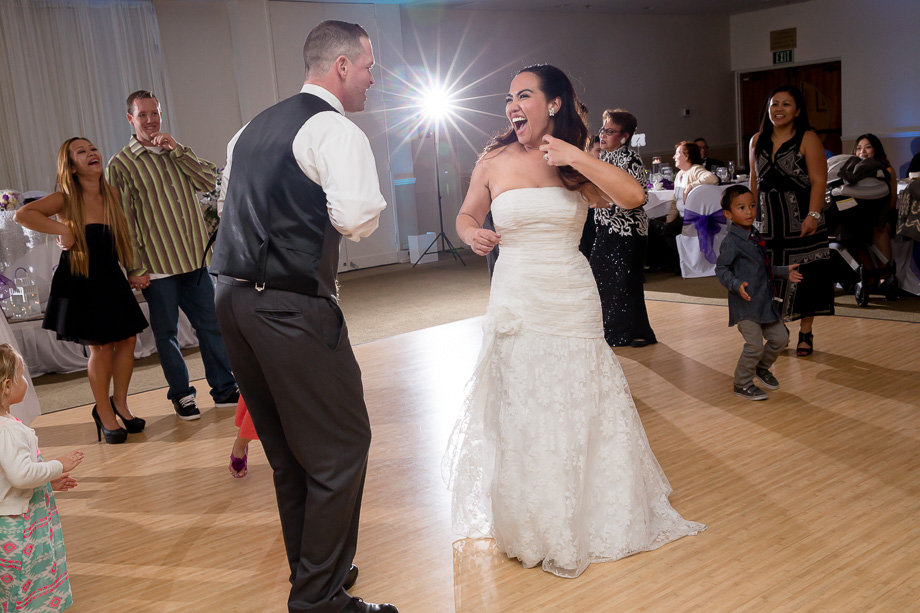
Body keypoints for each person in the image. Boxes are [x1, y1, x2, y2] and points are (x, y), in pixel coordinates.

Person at [444, 64, 704, 579]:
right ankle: (531, 521)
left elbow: (634, 198)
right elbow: (467, 214)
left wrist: (576, 156)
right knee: (523, 401)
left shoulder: (575, 159)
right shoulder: (494, 160)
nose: (513, 106)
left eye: (524, 96)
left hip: (568, 293)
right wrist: (472, 233)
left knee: (575, 395)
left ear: (554, 103)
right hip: (517, 294)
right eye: (509, 98)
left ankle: (585, 516)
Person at [211, 21, 395, 613]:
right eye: (368, 66)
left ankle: (318, 572)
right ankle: (320, 599)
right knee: (342, 448)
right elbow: (356, 218)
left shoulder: (248, 130)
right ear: (341, 66)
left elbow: (230, 206)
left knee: (290, 453)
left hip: (232, 300)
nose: (372, 78)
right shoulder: (335, 130)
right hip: (289, 305)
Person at [107, 91, 238, 421]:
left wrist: (178, 150)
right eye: (142, 115)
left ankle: (224, 389)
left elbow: (209, 181)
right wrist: (134, 267)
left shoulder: (175, 151)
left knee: (211, 326)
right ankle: (182, 395)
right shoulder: (121, 164)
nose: (150, 120)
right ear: (130, 119)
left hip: (195, 260)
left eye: (154, 113)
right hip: (158, 267)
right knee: (167, 335)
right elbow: (124, 220)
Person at [15, 138, 149, 444]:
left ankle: (120, 404)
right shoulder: (65, 198)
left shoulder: (112, 193)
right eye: (81, 152)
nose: (91, 154)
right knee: (101, 346)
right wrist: (62, 228)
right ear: (72, 167)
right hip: (82, 278)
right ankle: (104, 413)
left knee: (128, 339)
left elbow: (123, 236)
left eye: (92, 149)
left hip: (111, 275)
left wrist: (134, 269)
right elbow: (23, 215)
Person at [749, 85, 831, 357]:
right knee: (769, 278)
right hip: (767, 224)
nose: (779, 109)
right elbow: (754, 182)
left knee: (807, 276)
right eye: (774, 104)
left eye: (786, 104)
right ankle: (778, 332)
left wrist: (813, 215)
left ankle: (805, 333)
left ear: (797, 111)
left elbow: (819, 180)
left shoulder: (807, 137)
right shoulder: (757, 140)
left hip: (801, 221)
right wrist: (749, 217)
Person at [0, 343, 83, 611]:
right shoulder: (9, 431)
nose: (26, 381)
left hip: (9, 521)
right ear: (7, 387)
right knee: (29, 585)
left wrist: (45, 484)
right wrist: (57, 466)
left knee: (9, 591)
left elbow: (7, 477)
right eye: (22, 376)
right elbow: (21, 475)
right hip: (21, 528)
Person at [716, 186, 803, 400]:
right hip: (745, 306)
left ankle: (761, 368)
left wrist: (783, 272)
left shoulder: (754, 235)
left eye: (752, 206)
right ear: (728, 214)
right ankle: (742, 383)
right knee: (754, 346)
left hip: (764, 303)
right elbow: (721, 269)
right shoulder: (732, 242)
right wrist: (736, 284)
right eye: (741, 207)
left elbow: (761, 269)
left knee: (781, 339)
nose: (749, 211)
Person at [590, 108, 656, 347]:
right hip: (605, 227)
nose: (603, 135)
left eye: (610, 131)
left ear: (624, 136)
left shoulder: (630, 160)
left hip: (628, 231)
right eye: (602, 130)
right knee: (603, 280)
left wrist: (607, 202)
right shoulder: (602, 158)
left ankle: (637, 332)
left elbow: (640, 197)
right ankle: (611, 329)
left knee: (627, 283)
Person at [853, 133, 898, 290]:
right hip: (859, 217)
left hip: (884, 217)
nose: (862, 152)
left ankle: (885, 276)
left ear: (876, 149)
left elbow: (891, 204)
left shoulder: (888, 170)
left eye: (868, 147)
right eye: (858, 148)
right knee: (850, 230)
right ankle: (870, 275)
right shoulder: (852, 172)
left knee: (879, 227)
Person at [577, 135, 603, 259]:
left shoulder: (606, 170)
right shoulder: (580, 171)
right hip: (587, 218)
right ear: (588, 151)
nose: (601, 154)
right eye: (598, 150)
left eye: (603, 151)